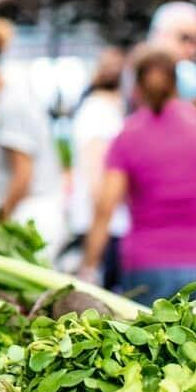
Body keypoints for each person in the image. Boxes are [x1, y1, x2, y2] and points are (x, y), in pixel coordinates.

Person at [86, 45, 196, 304]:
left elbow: (105, 209)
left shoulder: (126, 137)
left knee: (154, 342)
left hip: (147, 267)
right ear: (177, 84)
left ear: (136, 89)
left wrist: (88, 267)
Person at [0, 18, 66, 255]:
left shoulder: (13, 104)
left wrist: (1, 221)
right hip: (32, 215)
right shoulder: (11, 100)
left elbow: (23, 173)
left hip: (31, 218)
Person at [65, 48, 128, 277]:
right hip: (104, 227)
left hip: (104, 225)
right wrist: (92, 257)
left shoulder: (98, 111)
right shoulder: (100, 114)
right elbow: (98, 182)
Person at [147, 1, 196, 102]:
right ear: (159, 35)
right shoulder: (135, 78)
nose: (195, 49)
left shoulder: (193, 80)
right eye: (184, 38)